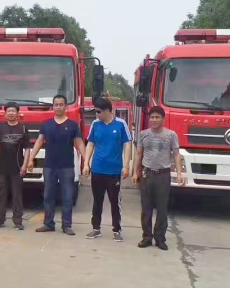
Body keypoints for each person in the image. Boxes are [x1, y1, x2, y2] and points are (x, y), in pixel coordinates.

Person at [28, 94, 86, 235]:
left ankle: (67, 225)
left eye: (61, 104)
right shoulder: (46, 124)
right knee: (48, 196)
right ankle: (48, 224)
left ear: (66, 107)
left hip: (67, 166)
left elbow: (80, 143)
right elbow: (39, 142)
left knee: (67, 197)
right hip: (50, 166)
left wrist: (87, 163)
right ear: (53, 107)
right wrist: (30, 159)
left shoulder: (72, 125)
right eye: (56, 104)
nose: (58, 107)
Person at [131, 106, 185, 250]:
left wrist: (180, 174)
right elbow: (138, 154)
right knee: (146, 208)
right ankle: (147, 237)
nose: (154, 120)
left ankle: (160, 238)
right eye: (152, 117)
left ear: (163, 119)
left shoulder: (171, 135)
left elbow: (176, 155)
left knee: (162, 209)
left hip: (163, 175)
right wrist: (135, 172)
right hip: (147, 174)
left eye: (157, 117)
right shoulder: (143, 134)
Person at [82, 97, 132, 241]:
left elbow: (127, 144)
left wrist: (126, 166)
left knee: (114, 201)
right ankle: (95, 229)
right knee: (97, 200)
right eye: (95, 111)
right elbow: (90, 144)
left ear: (108, 110)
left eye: (98, 112)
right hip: (97, 169)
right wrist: (86, 163)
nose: (96, 114)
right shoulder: (95, 124)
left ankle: (116, 230)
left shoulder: (121, 124)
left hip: (114, 171)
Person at [0, 102, 31, 230]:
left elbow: (27, 149)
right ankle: (0, 219)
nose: (11, 113)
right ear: (5, 113)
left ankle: (18, 220)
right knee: (1, 194)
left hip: (17, 166)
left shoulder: (23, 128)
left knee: (17, 194)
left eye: (13, 111)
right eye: (9, 111)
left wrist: (25, 165)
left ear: (18, 113)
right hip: (2, 166)